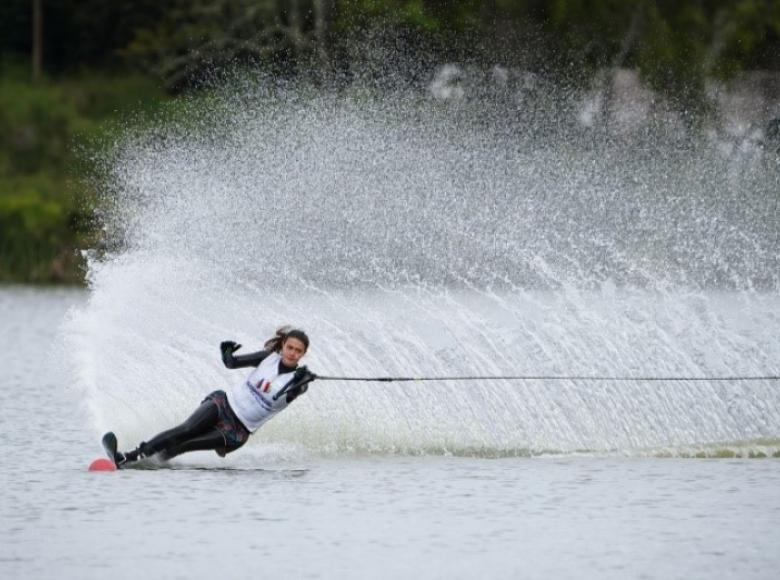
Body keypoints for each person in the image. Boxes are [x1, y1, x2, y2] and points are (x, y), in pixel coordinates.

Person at [113, 326, 317, 466]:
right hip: (223, 404)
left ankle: (151, 463)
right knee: (186, 430)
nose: (292, 353)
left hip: (237, 430)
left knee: (187, 444)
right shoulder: (268, 358)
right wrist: (226, 353)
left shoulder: (300, 382)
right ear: (283, 346)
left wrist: (300, 380)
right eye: (290, 348)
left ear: (303, 354)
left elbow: (295, 392)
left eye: (298, 351)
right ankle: (131, 457)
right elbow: (232, 363)